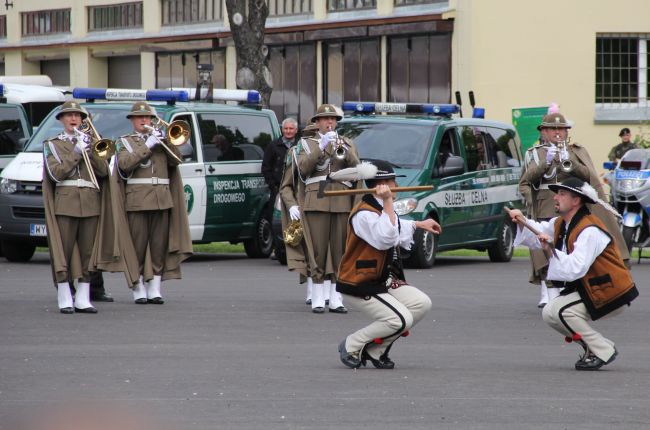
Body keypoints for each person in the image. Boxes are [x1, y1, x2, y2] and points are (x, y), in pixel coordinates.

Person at [509, 177, 638, 370]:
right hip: (593, 288)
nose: (555, 198)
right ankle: (594, 347)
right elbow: (539, 232)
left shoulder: (590, 229)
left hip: (610, 291)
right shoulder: (561, 223)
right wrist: (521, 220)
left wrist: (549, 249)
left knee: (560, 311)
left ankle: (603, 349)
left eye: (562, 194)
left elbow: (576, 267)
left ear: (576, 200)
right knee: (550, 313)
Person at [519, 106, 630, 308]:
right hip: (545, 204)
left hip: (572, 205)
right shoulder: (533, 154)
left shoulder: (576, 150)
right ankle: (547, 289)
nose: (558, 132)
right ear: (543, 131)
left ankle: (568, 287)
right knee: (545, 246)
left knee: (569, 245)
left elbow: (588, 176)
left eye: (562, 129)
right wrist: (547, 162)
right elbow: (526, 181)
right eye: (553, 129)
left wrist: (568, 160)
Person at [336, 160, 440, 369]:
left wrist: (419, 224)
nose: (396, 186)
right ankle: (351, 344)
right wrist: (388, 202)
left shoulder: (380, 209)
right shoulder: (364, 213)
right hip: (359, 281)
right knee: (400, 320)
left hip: (381, 279)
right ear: (382, 184)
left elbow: (396, 226)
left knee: (421, 304)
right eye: (393, 181)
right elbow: (386, 236)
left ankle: (377, 350)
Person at [116, 102, 193, 305]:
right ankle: (138, 285)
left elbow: (177, 160)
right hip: (138, 201)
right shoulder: (124, 141)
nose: (144, 121)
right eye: (140, 117)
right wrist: (147, 145)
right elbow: (124, 165)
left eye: (147, 117)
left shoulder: (162, 140)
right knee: (138, 246)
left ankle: (155, 287)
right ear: (132, 120)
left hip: (162, 200)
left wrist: (166, 142)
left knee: (159, 246)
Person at [42, 101, 109, 314]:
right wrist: (76, 152)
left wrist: (91, 150)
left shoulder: (91, 142)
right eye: (69, 115)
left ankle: (83, 297)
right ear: (61, 119)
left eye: (78, 116)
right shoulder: (52, 144)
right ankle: (64, 294)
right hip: (66, 201)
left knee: (88, 252)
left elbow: (104, 172)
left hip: (90, 201)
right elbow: (56, 174)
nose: (74, 119)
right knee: (64, 250)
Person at [297, 104, 360, 314]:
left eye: (333, 119)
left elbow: (356, 167)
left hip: (341, 200)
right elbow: (304, 170)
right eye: (325, 119)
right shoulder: (306, 144)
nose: (330, 123)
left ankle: (336, 297)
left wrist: (343, 148)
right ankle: (317, 296)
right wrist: (321, 147)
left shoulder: (347, 142)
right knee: (318, 249)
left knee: (340, 250)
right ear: (317, 123)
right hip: (318, 199)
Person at [262, 117, 298, 219]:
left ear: (296, 130)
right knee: (276, 219)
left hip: (296, 189)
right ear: (282, 130)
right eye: (286, 128)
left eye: (291, 129)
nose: (288, 131)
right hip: (278, 189)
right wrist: (273, 186)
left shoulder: (300, 145)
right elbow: (265, 167)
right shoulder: (273, 145)